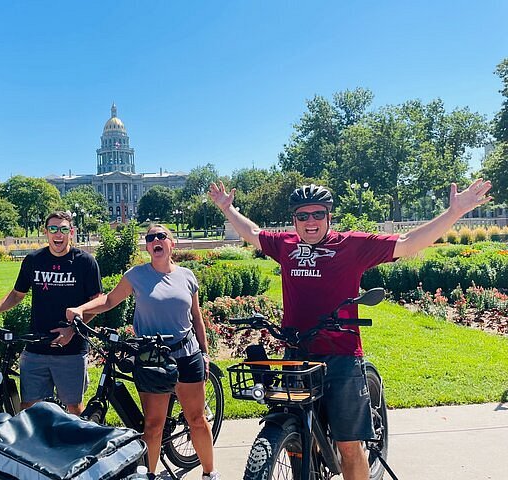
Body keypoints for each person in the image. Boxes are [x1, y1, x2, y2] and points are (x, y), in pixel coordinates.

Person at [209, 179, 491, 480]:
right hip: (297, 353)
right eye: (302, 216)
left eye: (318, 214)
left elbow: (408, 242)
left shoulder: (352, 245)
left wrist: (455, 211)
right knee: (298, 439)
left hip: (341, 355)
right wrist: (228, 208)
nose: (310, 221)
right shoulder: (286, 245)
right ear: (294, 220)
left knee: (348, 445)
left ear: (329, 216)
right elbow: (252, 233)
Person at [65, 225, 220, 480]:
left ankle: (209, 472)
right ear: (147, 246)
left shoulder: (187, 276)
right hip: (152, 359)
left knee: (196, 418)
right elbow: (109, 300)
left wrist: (204, 352)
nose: (156, 240)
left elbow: (196, 316)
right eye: (150, 238)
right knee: (153, 424)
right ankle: (149, 475)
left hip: (186, 354)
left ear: (172, 244)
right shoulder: (136, 276)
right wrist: (81, 308)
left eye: (161, 236)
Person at [0, 211, 102, 415]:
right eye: (53, 229)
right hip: (36, 347)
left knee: (74, 409)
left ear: (71, 232)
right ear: (46, 232)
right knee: (28, 408)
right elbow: (17, 295)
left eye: (63, 229)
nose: (58, 234)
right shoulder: (34, 260)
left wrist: (72, 330)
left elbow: (96, 302)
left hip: (71, 350)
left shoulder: (85, 262)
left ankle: (72, 446)